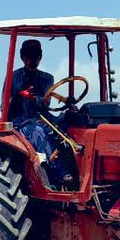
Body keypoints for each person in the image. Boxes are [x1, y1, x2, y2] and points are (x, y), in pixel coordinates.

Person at [8, 39, 73, 187]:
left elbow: (46, 101)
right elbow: (6, 104)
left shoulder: (47, 78)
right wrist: (20, 96)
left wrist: (65, 101)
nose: (33, 59)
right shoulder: (14, 77)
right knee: (37, 131)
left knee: (69, 121)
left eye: (36, 55)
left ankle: (77, 164)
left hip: (43, 117)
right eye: (29, 55)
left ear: (40, 56)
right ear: (22, 57)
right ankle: (58, 172)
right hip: (21, 120)